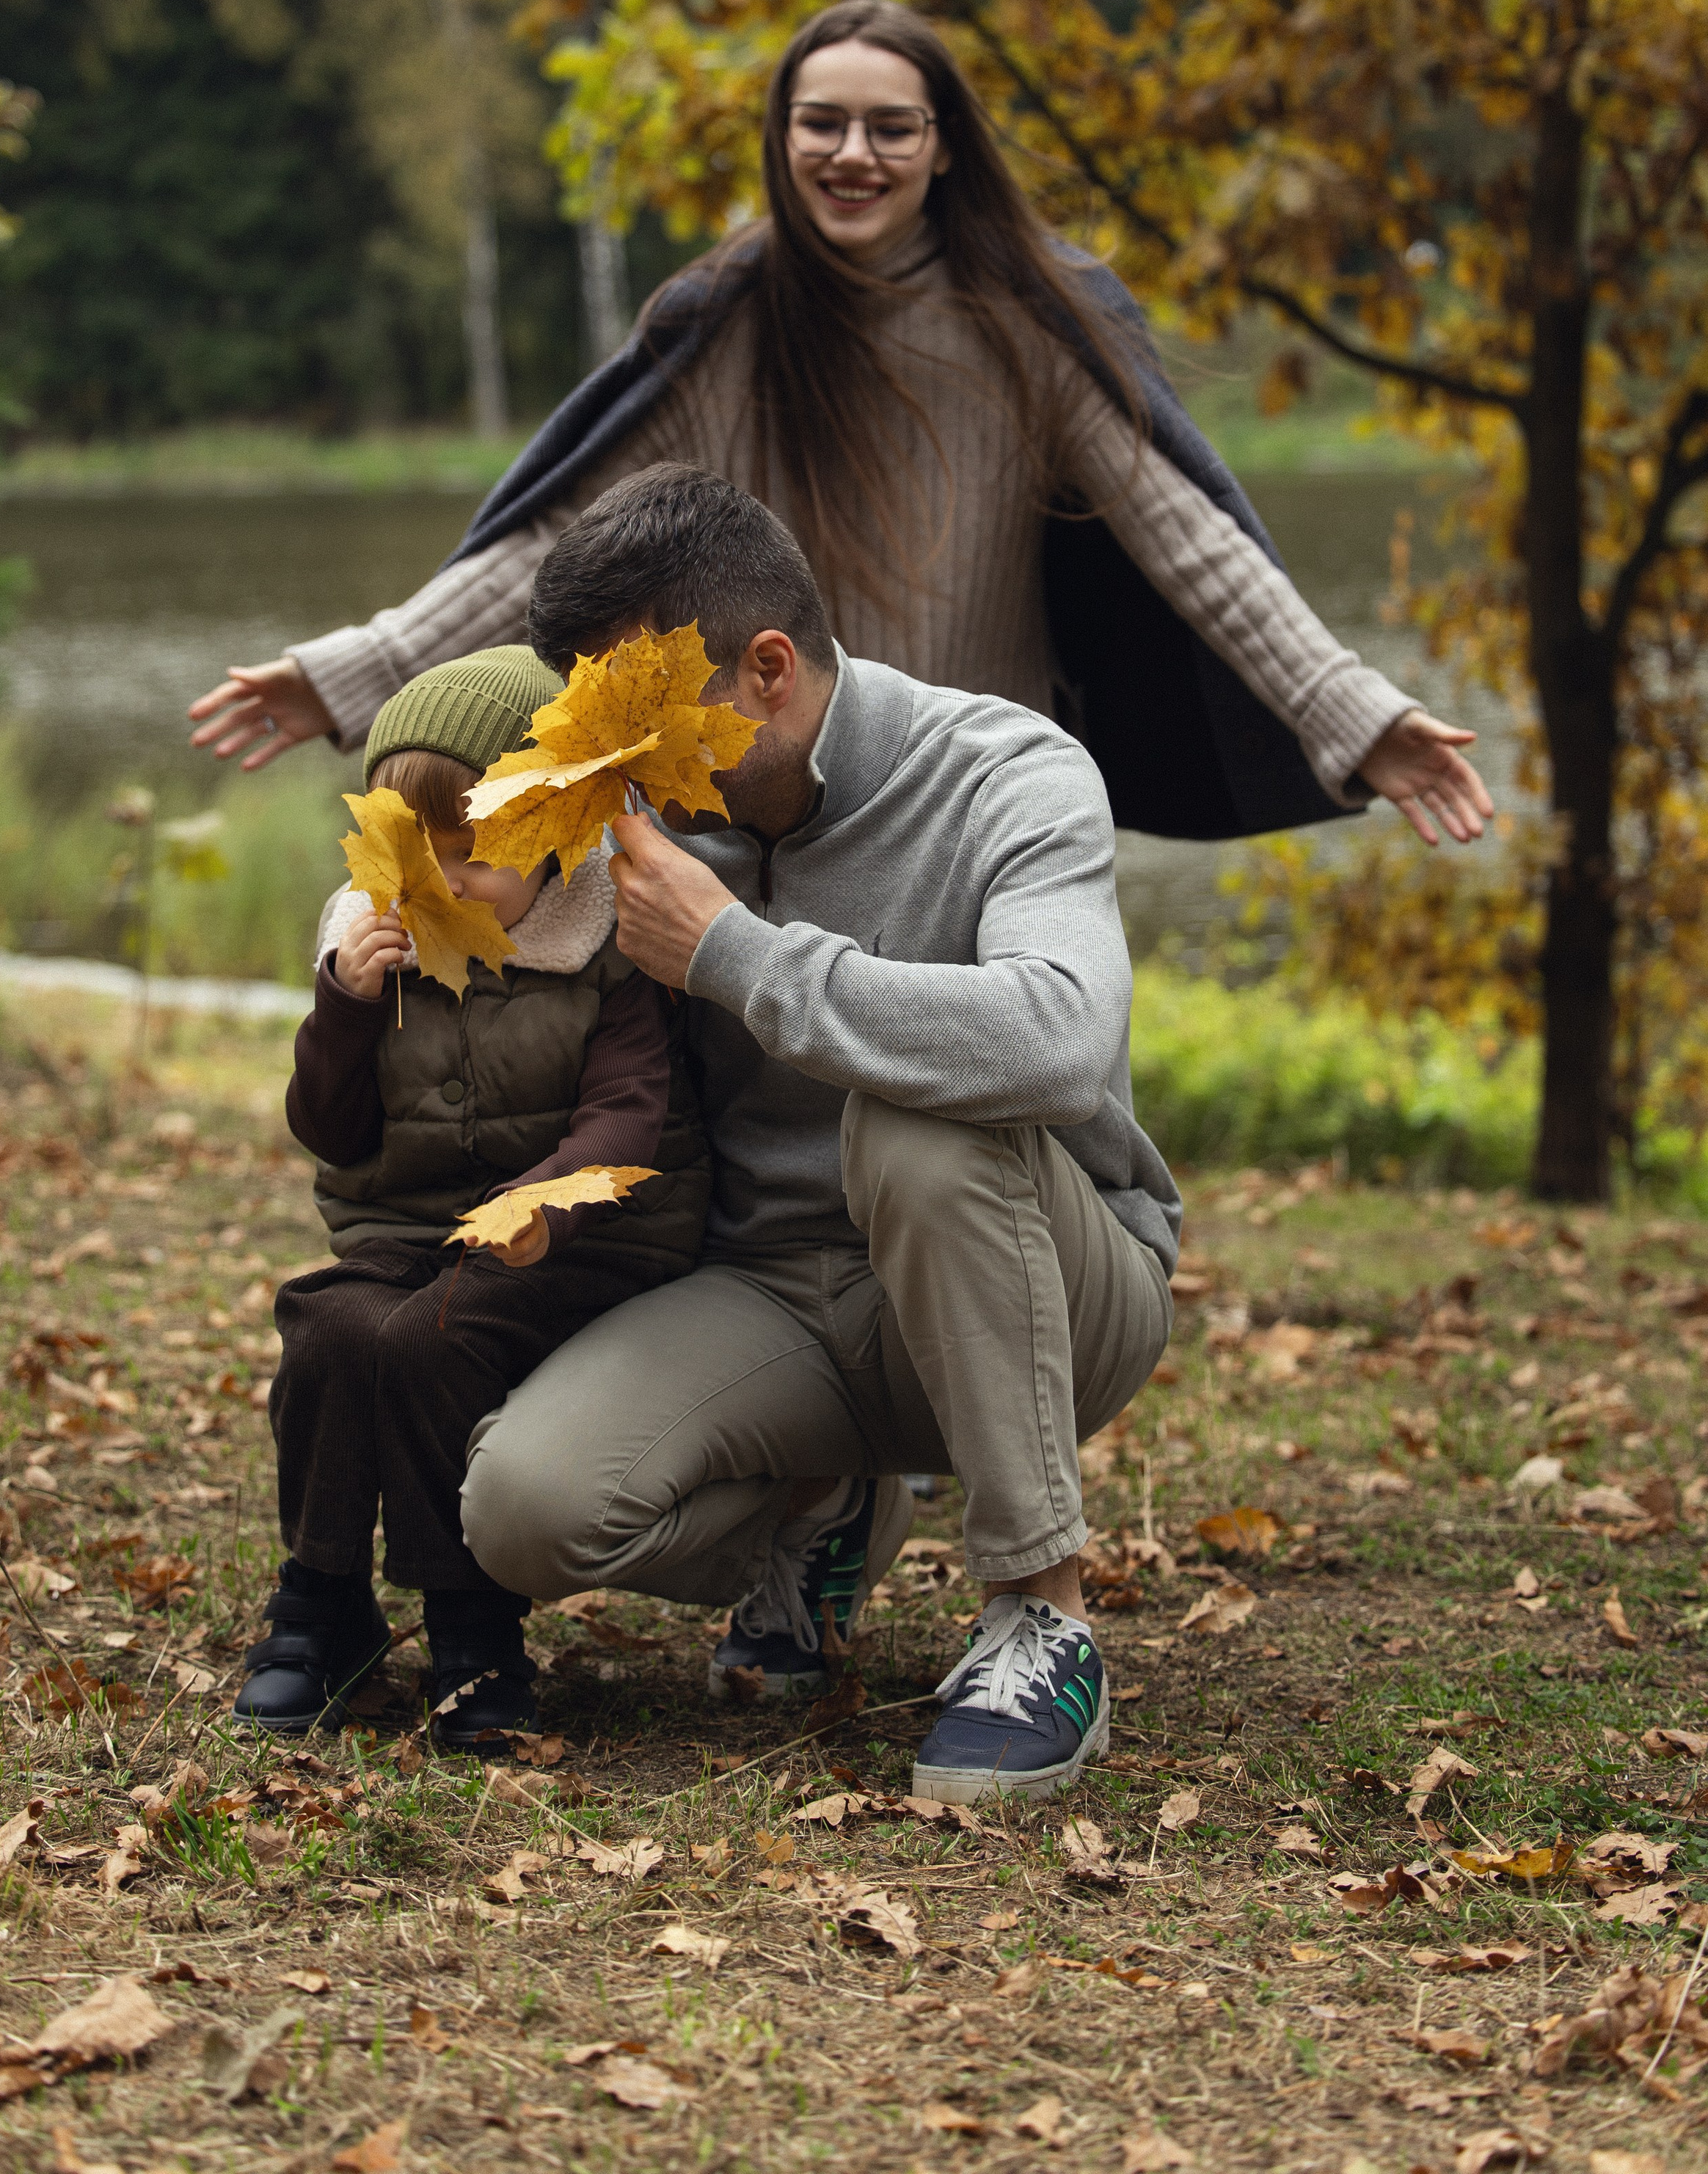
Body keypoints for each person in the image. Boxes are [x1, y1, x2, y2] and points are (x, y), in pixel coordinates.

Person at [189, 0, 1492, 858]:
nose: (852, 152)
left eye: (889, 126)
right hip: (757, 794)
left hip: (974, 788)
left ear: (940, 149)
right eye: (823, 122)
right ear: (783, 139)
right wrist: (364, 668)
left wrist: (1351, 709)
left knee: (989, 1112)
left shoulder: (1028, 318)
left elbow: (1191, 541)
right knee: (762, 1149)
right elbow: (553, 540)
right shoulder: (729, 319)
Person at [457, 466, 1180, 1805]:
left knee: (925, 1130)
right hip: (783, 1295)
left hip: (1055, 1286)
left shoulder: (1009, 772)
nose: (632, 775)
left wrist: (742, 957)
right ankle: (826, 1512)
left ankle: (1040, 1614)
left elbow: (1063, 1039)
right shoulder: (651, 823)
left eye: (646, 726)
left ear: (768, 670)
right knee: (522, 1511)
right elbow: (456, 892)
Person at [236, 646, 709, 1750]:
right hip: (405, 1228)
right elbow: (330, 1129)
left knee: (433, 1336)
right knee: (331, 1329)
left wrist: (543, 1200)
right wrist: (346, 1008)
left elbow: (628, 1115)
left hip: (591, 1236)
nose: (448, 877)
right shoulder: (373, 941)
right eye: (423, 851)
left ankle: (472, 1625)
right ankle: (322, 1600)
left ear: (556, 830)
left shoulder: (606, 938)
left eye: (482, 852)